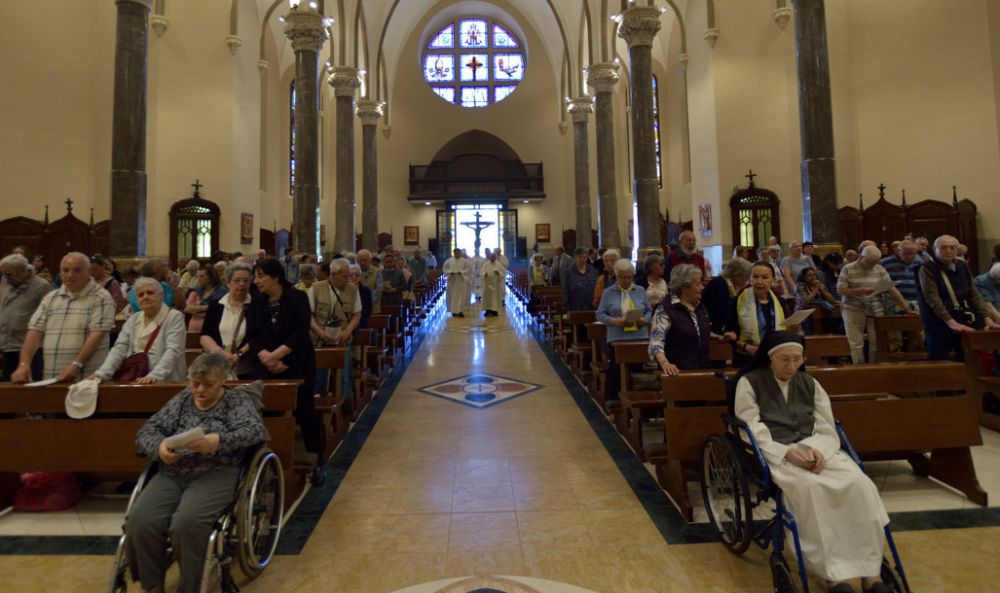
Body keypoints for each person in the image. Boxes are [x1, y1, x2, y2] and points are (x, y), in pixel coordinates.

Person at [733, 331, 891, 593]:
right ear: (770, 357)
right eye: (784, 359)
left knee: (860, 485)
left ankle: (870, 574)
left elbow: (827, 425)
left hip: (818, 449)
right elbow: (749, 427)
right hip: (777, 452)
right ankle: (834, 577)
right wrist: (786, 453)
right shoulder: (749, 382)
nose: (791, 366)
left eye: (797, 359)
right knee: (812, 491)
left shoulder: (810, 383)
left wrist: (818, 451)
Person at [125, 352, 269, 593]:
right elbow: (147, 431)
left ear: (222, 379)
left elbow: (256, 431)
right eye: (195, 383)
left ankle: (190, 588)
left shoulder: (236, 401)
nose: (200, 390)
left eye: (208, 384)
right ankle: (153, 586)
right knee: (140, 522)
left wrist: (218, 441)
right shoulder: (182, 400)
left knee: (187, 524)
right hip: (173, 472)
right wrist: (160, 448)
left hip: (217, 471)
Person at [246, 258, 325, 484]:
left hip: (297, 363)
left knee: (306, 412)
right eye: (255, 276)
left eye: (261, 276)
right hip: (266, 367)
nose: (256, 281)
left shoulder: (297, 298)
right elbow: (252, 335)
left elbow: (301, 331)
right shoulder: (256, 302)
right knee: (268, 413)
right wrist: (266, 357)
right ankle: (270, 463)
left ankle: (318, 462)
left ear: (276, 277)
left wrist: (276, 355)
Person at [12, 253, 116, 382]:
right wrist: (24, 364)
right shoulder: (51, 297)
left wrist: (76, 364)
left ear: (89, 272)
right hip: (52, 376)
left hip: (87, 377)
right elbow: (35, 331)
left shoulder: (101, 297)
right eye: (65, 270)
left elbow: (97, 335)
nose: (70, 275)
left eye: (77, 270)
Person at [917, 235, 1000, 361]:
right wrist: (951, 322)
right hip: (938, 319)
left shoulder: (962, 265)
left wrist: (986, 318)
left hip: (962, 316)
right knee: (939, 357)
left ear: (957, 250)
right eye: (944, 247)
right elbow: (932, 297)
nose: (948, 251)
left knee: (966, 356)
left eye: (952, 247)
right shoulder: (927, 267)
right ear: (935, 249)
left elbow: (973, 293)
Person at [90, 277, 187, 383]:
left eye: (150, 293)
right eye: (141, 295)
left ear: (161, 295)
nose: (145, 297)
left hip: (166, 380)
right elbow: (119, 348)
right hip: (134, 377)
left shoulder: (174, 317)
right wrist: (102, 373)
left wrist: (155, 376)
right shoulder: (134, 319)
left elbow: (173, 350)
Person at [838, 246, 912, 363]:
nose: (872, 265)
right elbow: (840, 290)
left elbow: (892, 289)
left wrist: (906, 307)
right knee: (856, 343)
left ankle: (874, 367)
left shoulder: (879, 269)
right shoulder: (848, 268)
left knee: (876, 342)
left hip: (875, 308)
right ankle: (858, 367)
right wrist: (859, 291)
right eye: (870, 262)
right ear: (861, 257)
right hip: (853, 308)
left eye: (875, 262)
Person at [595, 259, 652, 404]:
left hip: (639, 336)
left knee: (638, 368)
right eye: (623, 277)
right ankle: (613, 398)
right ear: (617, 276)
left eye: (629, 277)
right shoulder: (608, 292)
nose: (627, 280)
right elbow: (600, 314)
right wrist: (615, 321)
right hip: (617, 337)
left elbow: (649, 311)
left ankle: (639, 399)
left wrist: (644, 320)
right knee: (616, 368)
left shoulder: (640, 290)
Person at [309, 259, 361, 398]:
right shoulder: (316, 288)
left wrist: (348, 331)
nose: (348, 279)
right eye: (345, 276)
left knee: (345, 376)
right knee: (319, 375)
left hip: (342, 339)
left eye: (349, 275)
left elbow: (357, 314)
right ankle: (319, 400)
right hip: (320, 340)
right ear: (333, 274)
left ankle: (346, 402)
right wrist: (319, 332)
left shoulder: (353, 290)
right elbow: (308, 315)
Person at [648, 264, 714, 375]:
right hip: (677, 373)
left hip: (703, 370)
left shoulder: (699, 307)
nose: (702, 287)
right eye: (698, 284)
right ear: (684, 287)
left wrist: (718, 337)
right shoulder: (665, 309)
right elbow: (656, 343)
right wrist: (665, 363)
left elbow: (696, 330)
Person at [724, 260, 787, 369]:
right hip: (746, 359)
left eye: (765, 277)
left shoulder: (780, 302)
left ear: (773, 280)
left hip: (774, 357)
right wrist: (745, 346)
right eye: (755, 277)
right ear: (750, 279)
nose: (759, 281)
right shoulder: (737, 301)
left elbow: (786, 328)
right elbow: (730, 333)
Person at [0, 253, 52, 381]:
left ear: (23, 270)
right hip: (8, 347)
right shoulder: (6, 282)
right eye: (4, 274)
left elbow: (49, 317)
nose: (5, 277)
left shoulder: (42, 286)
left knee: (29, 386)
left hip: (31, 350)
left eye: (8, 274)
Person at [200, 262, 255, 379]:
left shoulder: (256, 305)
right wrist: (222, 354)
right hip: (217, 368)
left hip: (246, 368)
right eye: (237, 280)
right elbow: (205, 335)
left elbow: (258, 336)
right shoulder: (216, 305)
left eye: (246, 280)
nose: (242, 284)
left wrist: (238, 355)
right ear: (228, 283)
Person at [703, 257, 751, 335]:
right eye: (746, 276)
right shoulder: (718, 284)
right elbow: (725, 311)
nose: (747, 280)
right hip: (715, 329)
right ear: (737, 274)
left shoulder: (731, 285)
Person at [796, 267, 840, 335]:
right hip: (804, 313)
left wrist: (822, 290)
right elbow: (806, 301)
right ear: (804, 277)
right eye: (809, 275)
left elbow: (831, 300)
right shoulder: (800, 286)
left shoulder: (819, 285)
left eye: (814, 275)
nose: (813, 277)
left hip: (819, 312)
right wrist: (816, 288)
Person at [184, 264, 227, 333]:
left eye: (202, 276)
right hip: (195, 324)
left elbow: (219, 308)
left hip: (214, 323)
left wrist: (196, 309)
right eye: (199, 276)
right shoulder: (196, 291)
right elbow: (187, 308)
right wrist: (206, 307)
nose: (199, 279)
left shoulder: (221, 291)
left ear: (211, 277)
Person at [562, 247, 598, 313]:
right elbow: (566, 292)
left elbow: (596, 286)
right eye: (580, 257)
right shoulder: (569, 272)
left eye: (584, 257)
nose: (582, 259)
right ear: (575, 258)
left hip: (591, 306)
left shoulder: (592, 269)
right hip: (576, 306)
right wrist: (567, 309)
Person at [443, 248, 471, 317]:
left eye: (459, 253)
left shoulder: (464, 261)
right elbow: (445, 269)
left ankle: (461, 311)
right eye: (456, 253)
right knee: (453, 296)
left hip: (461, 280)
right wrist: (450, 272)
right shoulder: (449, 261)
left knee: (462, 296)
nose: (457, 254)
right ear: (454, 253)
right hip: (452, 281)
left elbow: (468, 269)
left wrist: (462, 272)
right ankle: (454, 311)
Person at [480, 250, 506, 317]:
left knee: (495, 297)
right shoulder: (486, 264)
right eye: (491, 257)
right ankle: (487, 310)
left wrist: (498, 273)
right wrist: (484, 274)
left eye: (494, 257)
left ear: (495, 257)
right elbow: (482, 271)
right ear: (489, 257)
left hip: (495, 283)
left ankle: (495, 310)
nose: (492, 258)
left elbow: (503, 273)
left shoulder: (498, 264)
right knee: (487, 296)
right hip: (488, 283)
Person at [349, 264, 373, 328]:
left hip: (362, 322)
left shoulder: (366, 290)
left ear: (360, 276)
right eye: (351, 275)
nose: (354, 277)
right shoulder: (343, 290)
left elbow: (368, 309)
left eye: (357, 275)